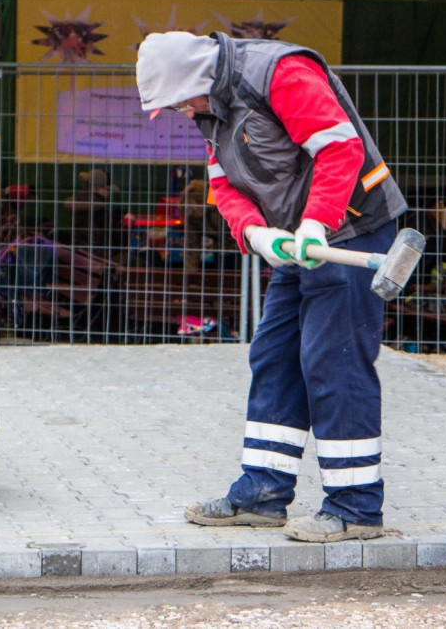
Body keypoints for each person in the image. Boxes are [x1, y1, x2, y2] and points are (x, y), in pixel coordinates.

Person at [136, 31, 408, 542]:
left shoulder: (280, 73)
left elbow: (339, 147)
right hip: (299, 239)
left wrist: (315, 223)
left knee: (335, 360)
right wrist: (256, 234)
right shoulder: (209, 106)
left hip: (350, 230)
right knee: (275, 357)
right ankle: (262, 495)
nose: (182, 112)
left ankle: (355, 508)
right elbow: (224, 185)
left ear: (194, 77)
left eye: (179, 101)